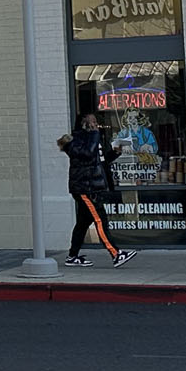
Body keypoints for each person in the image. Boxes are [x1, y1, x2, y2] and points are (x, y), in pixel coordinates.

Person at [57, 111, 132, 268]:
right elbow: (88, 154)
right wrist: (95, 134)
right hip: (85, 188)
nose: (95, 124)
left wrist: (115, 153)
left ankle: (72, 256)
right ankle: (116, 254)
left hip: (93, 187)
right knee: (100, 220)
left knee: (82, 223)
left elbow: (99, 160)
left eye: (96, 122)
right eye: (92, 122)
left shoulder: (90, 139)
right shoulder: (75, 140)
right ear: (84, 124)